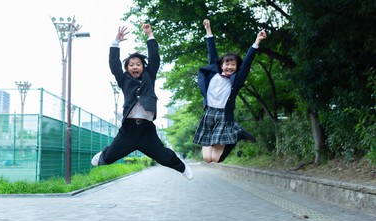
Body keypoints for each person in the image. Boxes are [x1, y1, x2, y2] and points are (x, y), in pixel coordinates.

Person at [91, 23, 193, 180]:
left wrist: (150, 35)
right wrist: (115, 43)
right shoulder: (123, 80)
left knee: (164, 158)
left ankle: (182, 167)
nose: (135, 67)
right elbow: (114, 65)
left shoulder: (149, 76)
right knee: (108, 158)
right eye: (131, 65)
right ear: (127, 69)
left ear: (143, 67)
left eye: (138, 64)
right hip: (129, 129)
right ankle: (103, 154)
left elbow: (154, 58)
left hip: (146, 130)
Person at [193, 19, 267, 163]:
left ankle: (236, 134)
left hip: (223, 115)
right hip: (208, 113)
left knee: (216, 159)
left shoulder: (236, 80)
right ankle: (236, 134)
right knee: (207, 159)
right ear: (221, 65)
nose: (230, 67)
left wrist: (257, 41)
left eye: (233, 64)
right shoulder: (213, 72)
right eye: (227, 63)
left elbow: (246, 63)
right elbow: (212, 52)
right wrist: (208, 29)